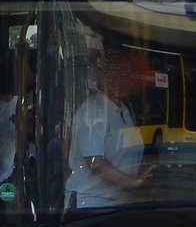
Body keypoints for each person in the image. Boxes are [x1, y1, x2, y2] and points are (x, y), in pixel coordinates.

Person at [65, 46, 152, 208]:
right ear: (112, 78)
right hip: (92, 203)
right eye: (127, 76)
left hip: (118, 201)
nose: (133, 82)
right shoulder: (94, 110)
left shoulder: (123, 110)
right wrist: (133, 181)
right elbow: (94, 161)